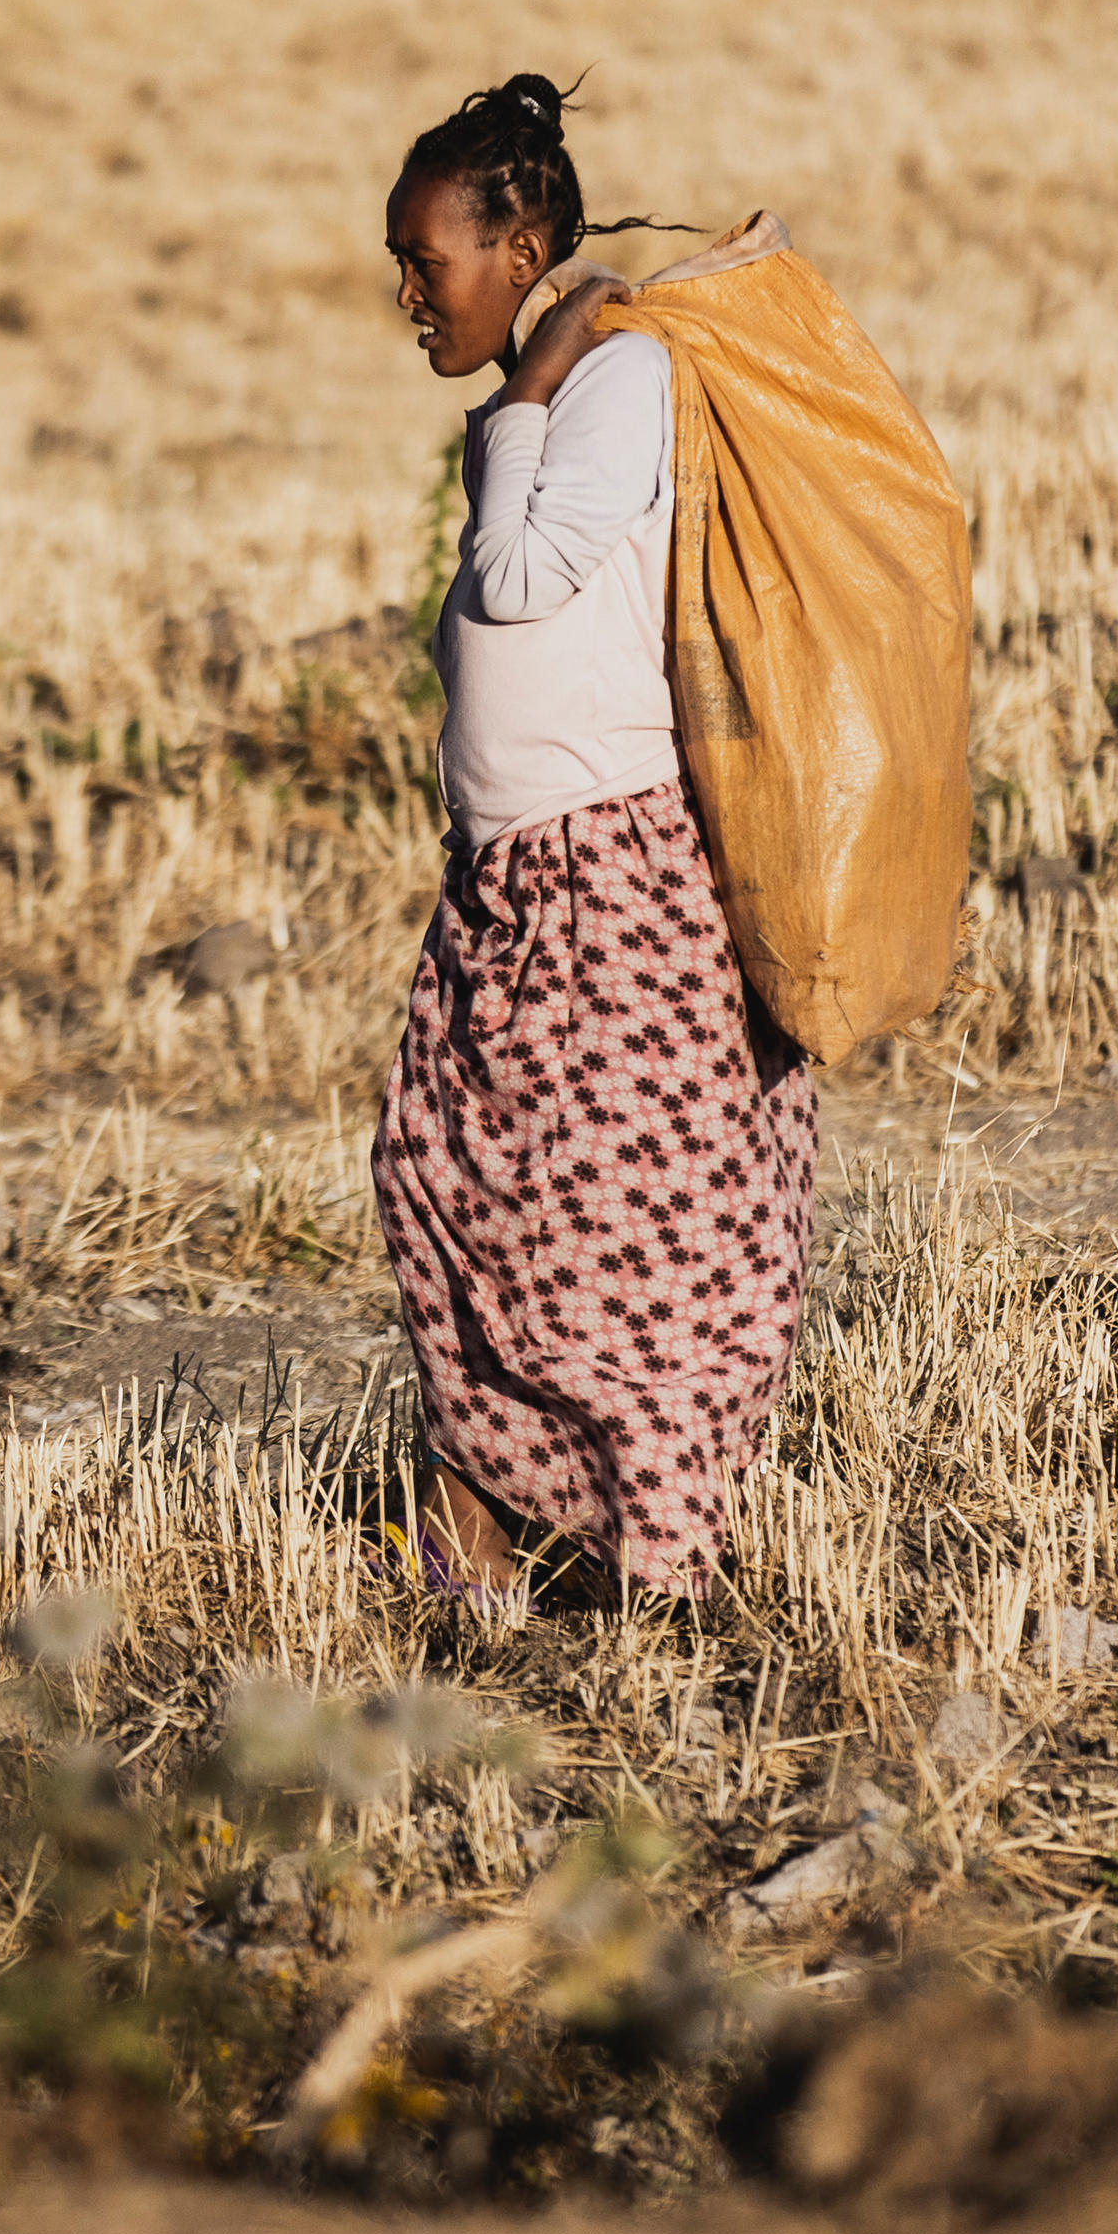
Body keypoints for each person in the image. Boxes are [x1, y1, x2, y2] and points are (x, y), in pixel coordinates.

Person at [369, 79, 817, 1604]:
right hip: (506, 886)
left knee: (633, 1227)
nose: (410, 297)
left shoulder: (611, 380)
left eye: (429, 262)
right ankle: (484, 1532)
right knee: (442, 1177)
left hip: (610, 881)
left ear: (527, 244)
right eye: (403, 264)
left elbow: (518, 575)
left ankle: (653, 1554)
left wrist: (526, 389)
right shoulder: (561, 394)